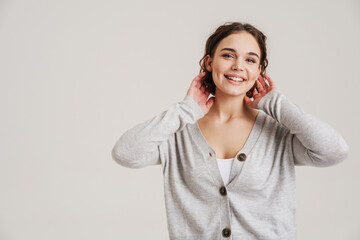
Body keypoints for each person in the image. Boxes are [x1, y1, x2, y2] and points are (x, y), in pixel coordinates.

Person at [111, 22, 349, 240]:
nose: (238, 66)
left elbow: (334, 151)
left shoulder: (278, 134)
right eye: (228, 55)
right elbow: (125, 153)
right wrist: (185, 110)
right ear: (209, 62)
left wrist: (277, 104)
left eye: (250, 60)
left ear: (260, 71)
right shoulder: (179, 132)